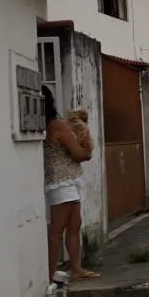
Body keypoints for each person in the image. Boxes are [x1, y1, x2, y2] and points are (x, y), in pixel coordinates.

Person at [42, 86, 100, 281]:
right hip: (62, 182)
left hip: (68, 181)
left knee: (74, 225)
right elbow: (79, 153)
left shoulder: (51, 125)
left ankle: (76, 269)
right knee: (57, 230)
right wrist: (87, 151)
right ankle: (51, 273)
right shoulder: (58, 126)